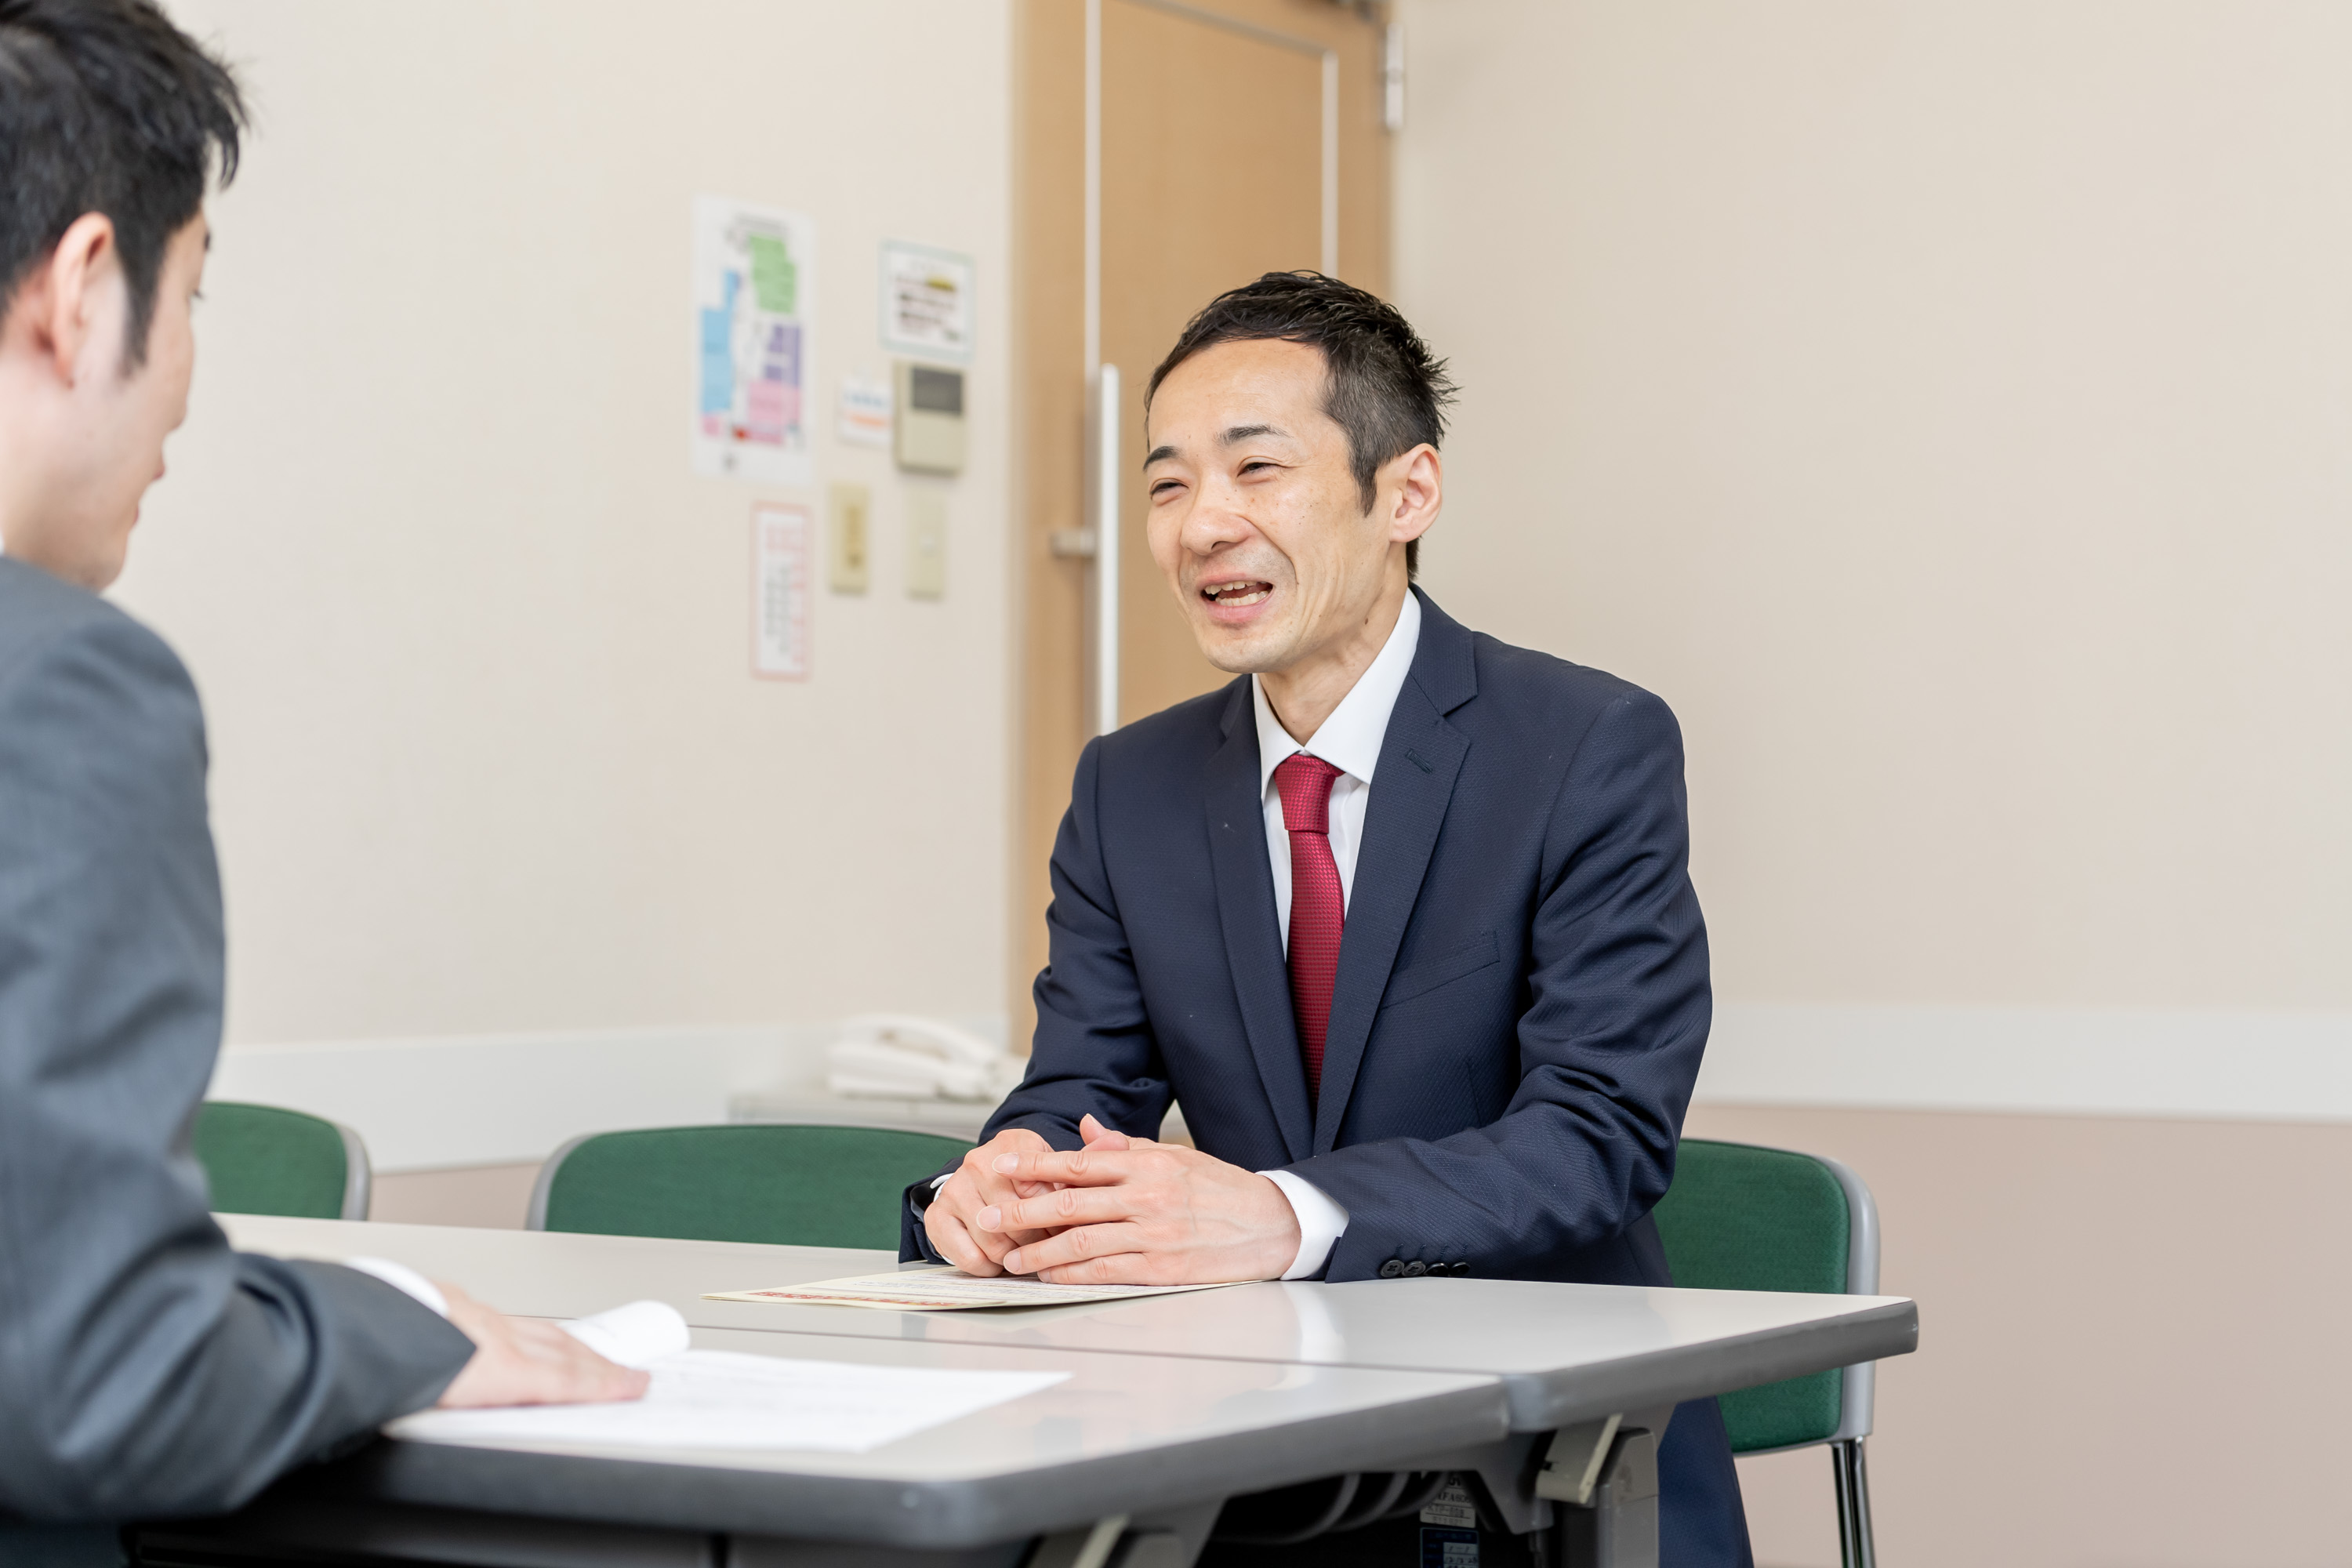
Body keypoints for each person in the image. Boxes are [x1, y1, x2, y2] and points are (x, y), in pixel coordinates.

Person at [907, 271, 1751, 1563]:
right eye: (1169, 484)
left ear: (1406, 494)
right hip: (1244, 1463)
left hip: (1543, 1477)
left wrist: (1285, 1215)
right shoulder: (1127, 787)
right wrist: (1013, 1181)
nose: (1204, 525)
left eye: (1258, 469)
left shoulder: (1585, 746)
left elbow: (1599, 1136)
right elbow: (1081, 1090)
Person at [0, 1, 644, 1553]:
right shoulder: (63, 684)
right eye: (192, 294)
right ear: (82, 290)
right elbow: (98, 1384)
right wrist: (400, 1325)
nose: (187, 376)